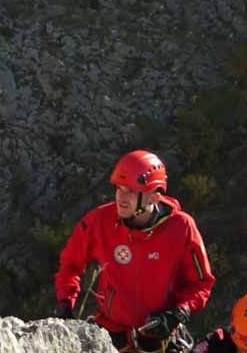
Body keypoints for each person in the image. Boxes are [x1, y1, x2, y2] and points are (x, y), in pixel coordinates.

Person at [55, 150, 215, 352]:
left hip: (159, 337)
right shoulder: (99, 221)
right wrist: (65, 302)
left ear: (154, 196)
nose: (121, 196)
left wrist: (178, 313)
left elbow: (201, 283)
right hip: (111, 335)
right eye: (119, 188)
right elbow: (71, 263)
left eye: (131, 191)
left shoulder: (181, 228)